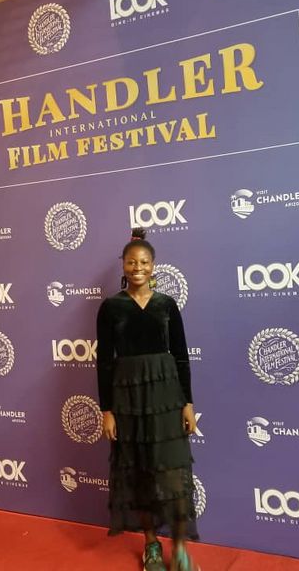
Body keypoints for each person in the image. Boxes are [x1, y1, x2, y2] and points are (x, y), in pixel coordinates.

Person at [96, 229, 200, 571]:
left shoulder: (167, 305)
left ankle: (181, 549)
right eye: (131, 262)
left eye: (144, 262)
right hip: (127, 400)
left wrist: (187, 402)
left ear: (153, 266)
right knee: (139, 472)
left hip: (167, 397)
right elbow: (105, 362)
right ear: (123, 266)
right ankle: (152, 546)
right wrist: (107, 409)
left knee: (173, 473)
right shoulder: (111, 308)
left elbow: (182, 356)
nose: (137, 267)